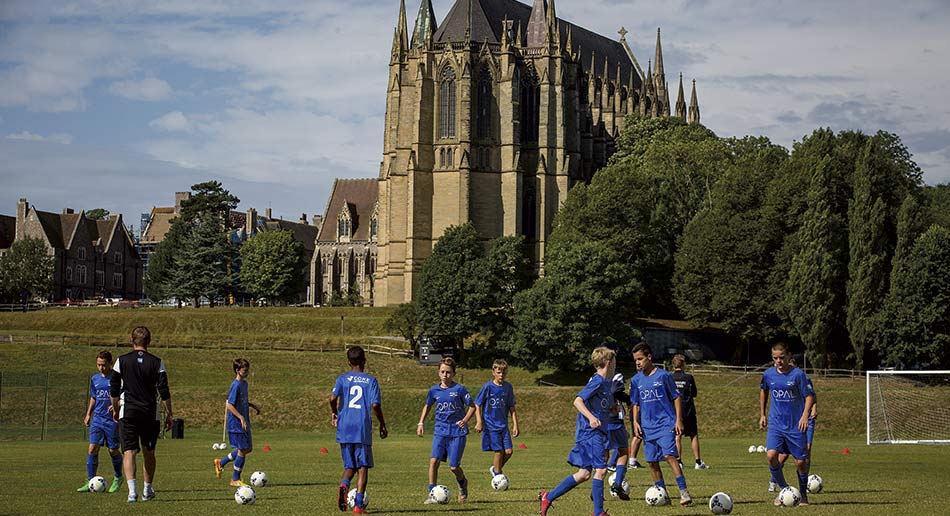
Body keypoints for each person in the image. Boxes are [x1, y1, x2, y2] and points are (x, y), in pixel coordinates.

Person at [539, 347, 616, 516]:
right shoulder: (597, 381)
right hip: (590, 432)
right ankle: (598, 513)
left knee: (584, 474)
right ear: (609, 363)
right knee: (601, 470)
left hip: (594, 433)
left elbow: (601, 406)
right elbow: (578, 401)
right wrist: (591, 417)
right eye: (615, 361)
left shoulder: (605, 383)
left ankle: (548, 497)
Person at [109, 326, 172, 503]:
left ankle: (132, 493)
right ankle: (147, 490)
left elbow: (113, 390)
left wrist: (115, 409)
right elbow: (164, 391)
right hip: (149, 413)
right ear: (149, 341)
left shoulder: (121, 361)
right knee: (149, 451)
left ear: (131, 341)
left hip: (127, 411)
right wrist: (169, 414)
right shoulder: (157, 362)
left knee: (129, 451)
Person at [630, 342, 692, 506]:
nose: (638, 363)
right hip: (647, 427)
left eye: (640, 359)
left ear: (649, 357)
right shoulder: (636, 380)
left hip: (665, 424)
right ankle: (663, 495)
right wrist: (636, 422)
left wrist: (678, 420)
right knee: (651, 462)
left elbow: (676, 397)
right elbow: (635, 403)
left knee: (669, 456)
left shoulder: (664, 376)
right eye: (636, 360)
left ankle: (684, 492)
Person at [329, 346, 388, 514]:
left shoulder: (342, 379)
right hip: (361, 427)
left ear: (348, 362)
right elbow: (375, 404)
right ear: (365, 360)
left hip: (344, 425)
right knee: (362, 467)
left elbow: (332, 398)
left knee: (349, 466)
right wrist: (382, 424)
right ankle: (358, 506)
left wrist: (334, 413)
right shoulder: (370, 380)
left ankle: (344, 485)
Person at [759, 342, 815, 506]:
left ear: (789, 356)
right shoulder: (769, 374)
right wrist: (762, 414)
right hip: (776, 423)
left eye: (782, 358)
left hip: (795, 425)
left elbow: (810, 396)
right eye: (775, 358)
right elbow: (763, 390)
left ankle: (803, 495)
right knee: (771, 456)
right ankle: (785, 490)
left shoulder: (798, 375)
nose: (779, 361)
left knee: (800, 462)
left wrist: (805, 416)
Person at [417, 357, 475, 504]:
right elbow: (427, 405)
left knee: (454, 466)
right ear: (438, 372)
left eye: (448, 372)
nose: (445, 375)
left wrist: (465, 420)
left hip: (457, 433)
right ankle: (431, 493)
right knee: (433, 461)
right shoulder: (433, 390)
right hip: (440, 431)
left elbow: (472, 406)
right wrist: (421, 423)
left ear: (453, 373)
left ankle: (462, 483)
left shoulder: (459, 389)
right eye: (442, 371)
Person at [77, 351, 123, 493]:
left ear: (110, 363)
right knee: (92, 448)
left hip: (112, 420)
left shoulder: (117, 379)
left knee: (113, 450)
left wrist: (117, 404)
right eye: (98, 365)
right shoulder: (95, 379)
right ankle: (90, 480)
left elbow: (124, 395)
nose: (101, 368)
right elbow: (94, 397)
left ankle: (118, 477)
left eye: (103, 365)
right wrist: (88, 414)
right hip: (98, 418)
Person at [213, 358, 260, 488]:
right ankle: (235, 479)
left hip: (244, 421)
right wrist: (240, 417)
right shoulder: (235, 385)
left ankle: (220, 463)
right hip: (236, 423)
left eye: (248, 370)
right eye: (245, 370)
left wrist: (252, 405)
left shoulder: (244, 384)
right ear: (237, 370)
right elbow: (230, 405)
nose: (247, 373)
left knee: (248, 448)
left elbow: (242, 401)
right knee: (242, 450)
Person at [474, 359, 519, 479]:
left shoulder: (508, 387)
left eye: (503, 372)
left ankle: (495, 469)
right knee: (498, 451)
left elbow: (511, 407)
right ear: (493, 372)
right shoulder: (488, 387)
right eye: (498, 372)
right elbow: (477, 404)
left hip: (503, 425)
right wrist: (479, 421)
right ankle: (498, 476)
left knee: (509, 452)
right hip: (491, 425)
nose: (501, 375)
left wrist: (515, 425)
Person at [670, 354, 709, 470]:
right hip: (688, 409)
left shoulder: (669, 378)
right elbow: (694, 393)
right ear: (683, 364)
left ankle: (679, 461)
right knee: (693, 435)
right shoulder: (689, 378)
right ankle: (698, 462)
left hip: (675, 411)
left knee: (678, 435)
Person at [605, 370, 632, 500]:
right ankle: (617, 483)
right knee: (623, 452)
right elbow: (616, 391)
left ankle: (596, 491)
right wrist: (628, 399)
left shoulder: (594, 377)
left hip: (600, 421)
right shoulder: (616, 375)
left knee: (602, 458)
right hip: (614, 421)